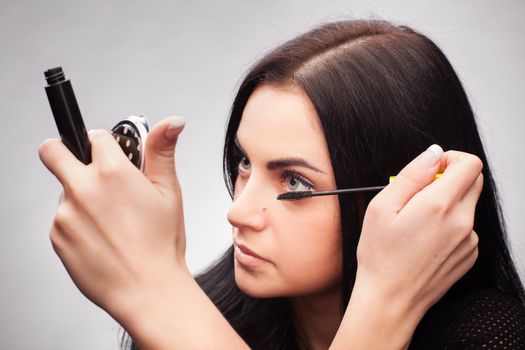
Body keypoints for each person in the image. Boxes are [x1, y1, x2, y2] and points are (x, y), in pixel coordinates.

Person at [39, 20, 525, 349]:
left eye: (294, 181)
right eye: (244, 162)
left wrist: (152, 288)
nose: (239, 212)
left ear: (415, 197)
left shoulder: (491, 336)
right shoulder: (209, 315)